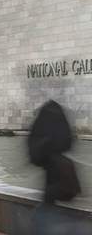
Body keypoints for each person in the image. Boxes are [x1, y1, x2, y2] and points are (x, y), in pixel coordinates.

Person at [28, 100, 88, 234]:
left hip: (51, 203)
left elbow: (35, 156)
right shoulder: (63, 161)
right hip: (58, 203)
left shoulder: (46, 151)